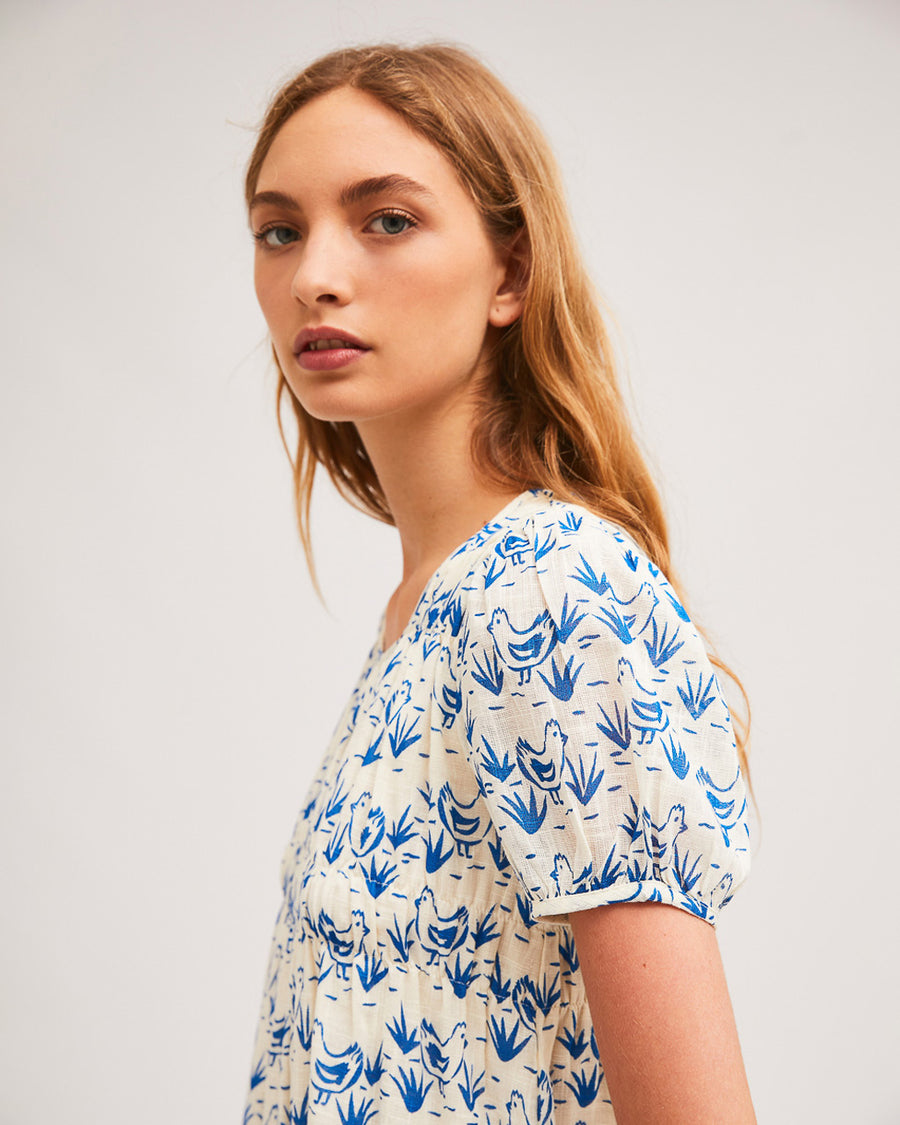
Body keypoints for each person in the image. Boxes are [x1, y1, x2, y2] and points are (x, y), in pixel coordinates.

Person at [242, 43, 756, 1125]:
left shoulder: (548, 594)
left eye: (385, 219)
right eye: (280, 229)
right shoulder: (428, 611)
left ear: (511, 274)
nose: (313, 275)